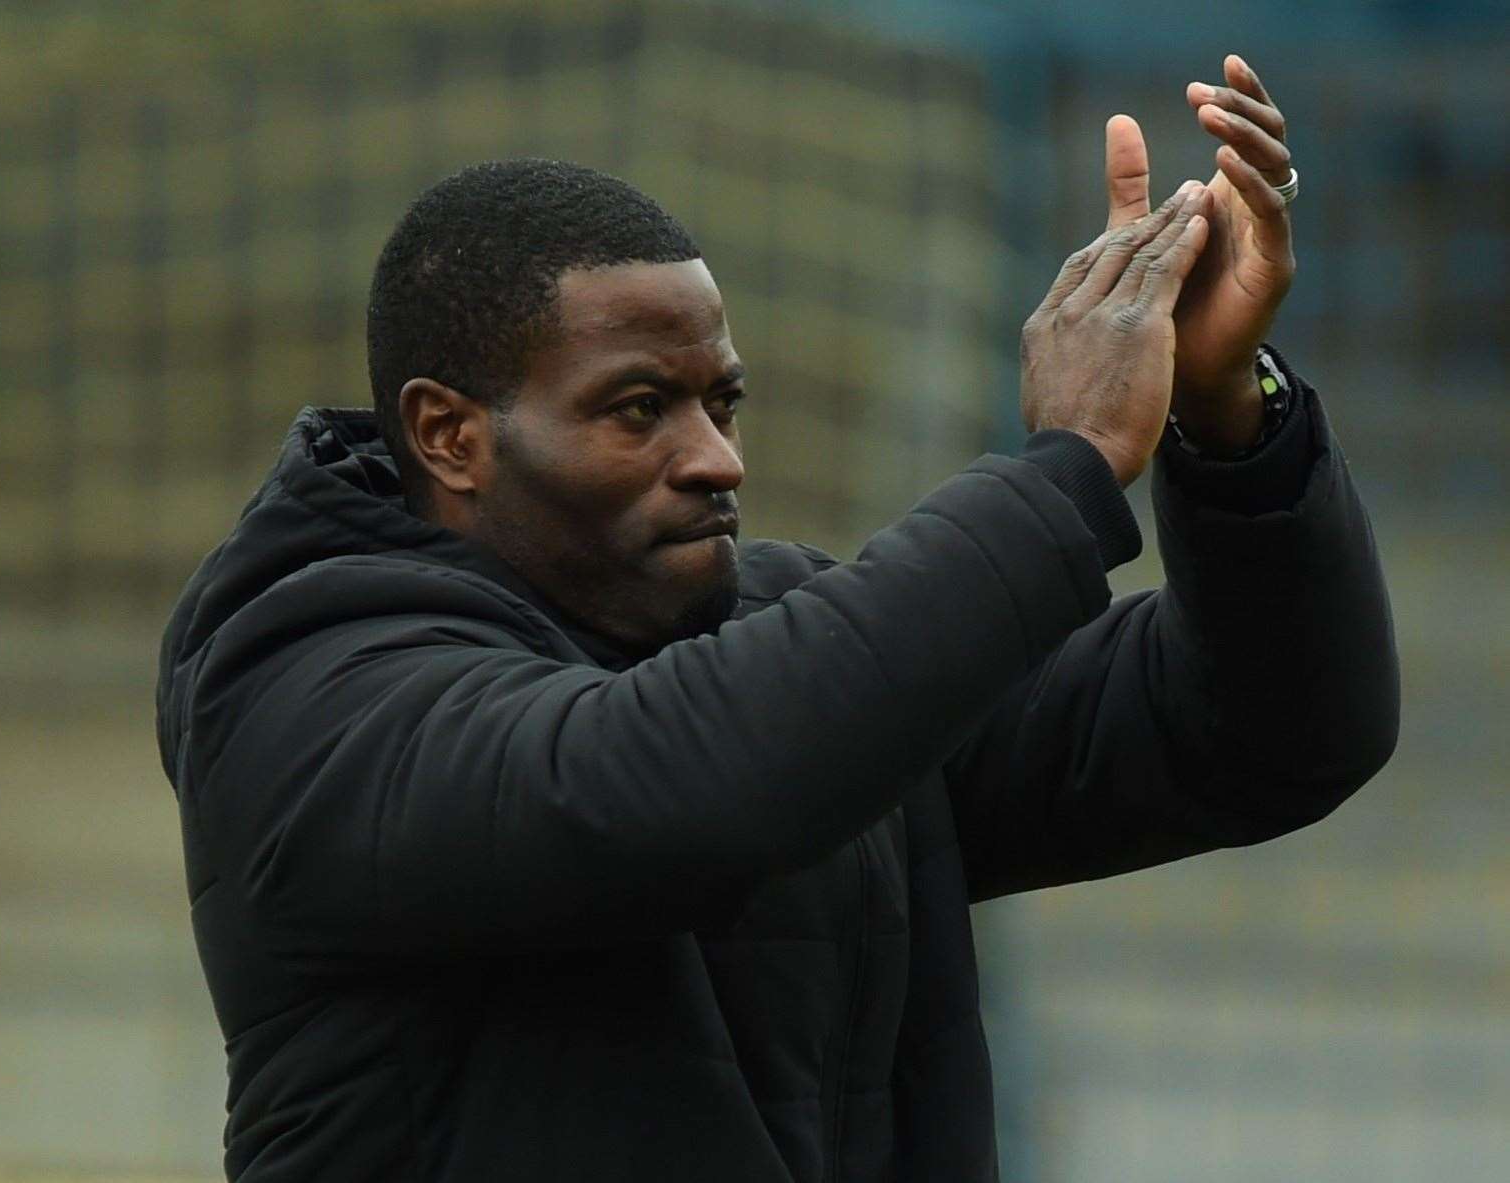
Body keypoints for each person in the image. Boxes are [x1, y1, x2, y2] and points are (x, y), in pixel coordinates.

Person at [157, 55, 1397, 1182]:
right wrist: (1064, 467)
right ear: (449, 434)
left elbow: (1274, 731)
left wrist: (1226, 414)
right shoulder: (306, 685)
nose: (715, 459)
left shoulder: (785, 647)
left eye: (722, 402)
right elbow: (669, 787)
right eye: (639, 408)